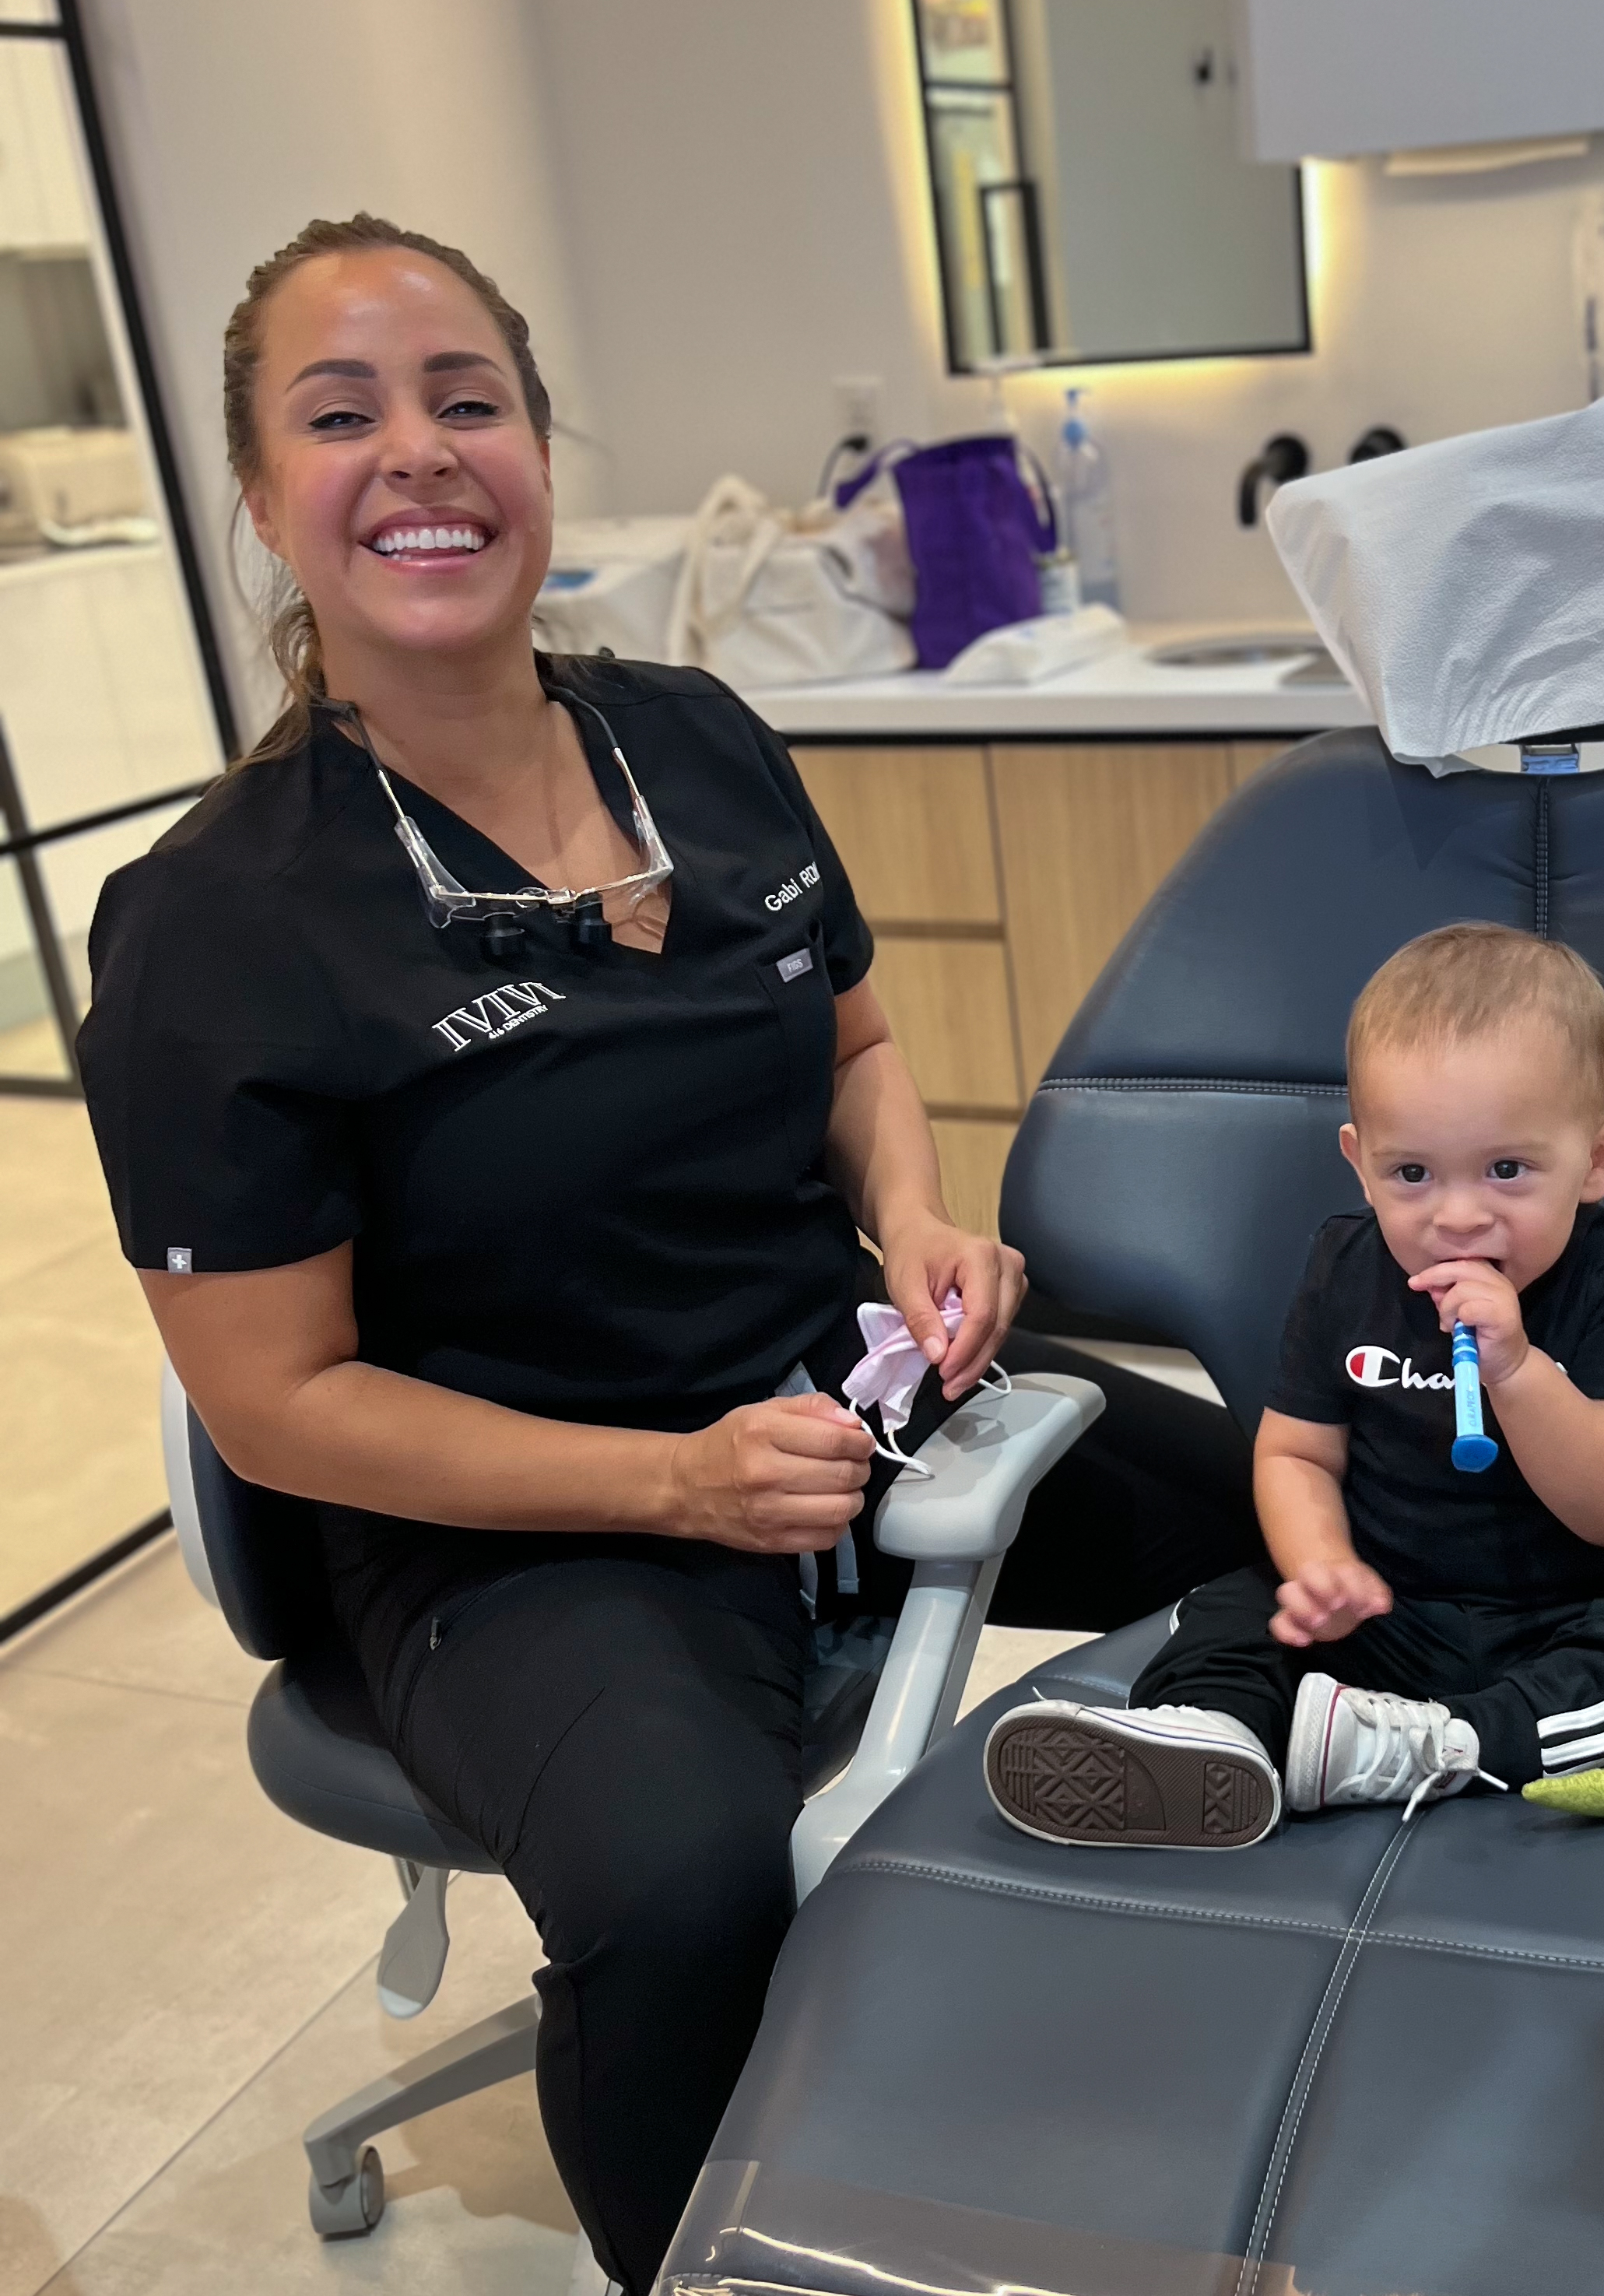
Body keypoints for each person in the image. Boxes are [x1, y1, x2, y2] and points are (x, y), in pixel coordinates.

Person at [73, 213, 1256, 2294]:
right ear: (260, 495)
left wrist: (915, 1219)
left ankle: (1204, 1934)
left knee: (1303, 1504)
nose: (419, 451)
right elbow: (279, 1402)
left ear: (538, 446)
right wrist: (677, 1483)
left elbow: (856, 1046)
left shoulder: (694, 735)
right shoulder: (218, 924)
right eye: (341, 416)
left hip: (841, 1391)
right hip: (520, 1525)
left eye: (467, 400)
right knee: (687, 1883)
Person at [982, 923, 1604, 1848]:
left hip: (1587, 1606)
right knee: (1232, 1607)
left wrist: (1517, 1368)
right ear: (1360, 1161)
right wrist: (1322, 1564)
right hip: (1396, 1610)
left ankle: (1445, 1744)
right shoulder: (1346, 1266)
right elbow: (1296, 1453)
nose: (1458, 1215)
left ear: (1599, 1159)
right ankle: (1212, 1733)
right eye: (1412, 1173)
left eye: (1508, 1170)